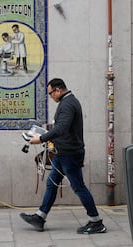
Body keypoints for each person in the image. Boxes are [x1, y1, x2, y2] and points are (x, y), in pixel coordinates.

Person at [20, 78, 107, 234]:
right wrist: (43, 131)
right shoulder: (68, 102)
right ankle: (40, 217)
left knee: (78, 186)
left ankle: (96, 222)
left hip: (70, 154)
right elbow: (61, 127)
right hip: (62, 153)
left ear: (58, 90)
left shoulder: (68, 104)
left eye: (51, 93)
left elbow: (62, 128)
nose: (51, 96)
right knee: (51, 183)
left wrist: (40, 138)